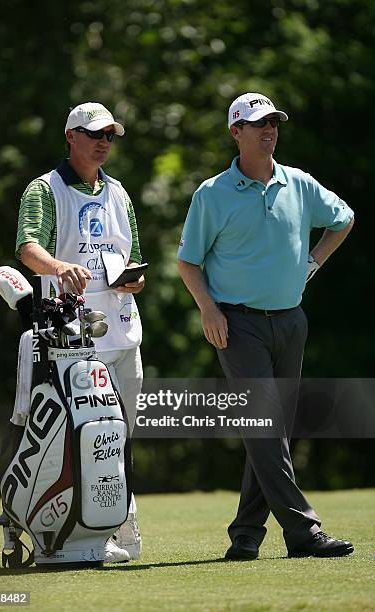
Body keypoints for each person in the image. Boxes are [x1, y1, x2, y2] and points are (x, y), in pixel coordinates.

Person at [177, 92, 355, 560]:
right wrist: (208, 309)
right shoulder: (212, 194)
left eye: (273, 123)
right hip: (237, 326)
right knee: (264, 426)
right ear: (236, 132)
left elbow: (344, 219)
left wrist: (314, 262)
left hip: (291, 321)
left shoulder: (298, 183)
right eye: (258, 124)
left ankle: (246, 534)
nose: (269, 131)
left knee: (272, 429)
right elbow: (188, 262)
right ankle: (303, 532)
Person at [15, 102, 145, 563]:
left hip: (122, 330)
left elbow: (130, 253)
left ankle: (122, 527)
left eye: (109, 134)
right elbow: (27, 246)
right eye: (94, 134)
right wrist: (58, 266)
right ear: (70, 136)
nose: (103, 141)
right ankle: (80, 534)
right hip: (69, 335)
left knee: (120, 434)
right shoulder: (45, 189)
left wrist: (135, 278)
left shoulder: (120, 193)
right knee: (78, 436)